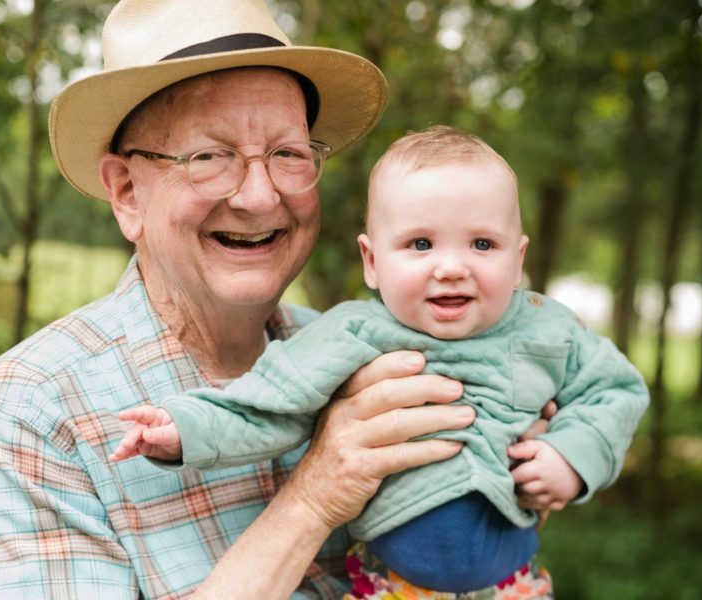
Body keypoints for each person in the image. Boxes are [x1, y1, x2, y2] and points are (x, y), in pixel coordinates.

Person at [0, 2, 564, 598]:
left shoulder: (362, 354)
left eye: (288, 154)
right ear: (127, 193)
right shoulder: (38, 409)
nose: (258, 196)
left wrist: (523, 468)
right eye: (209, 157)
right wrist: (313, 497)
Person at [110, 125, 650, 597]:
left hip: (512, 583)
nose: (452, 267)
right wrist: (184, 428)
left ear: (518, 259)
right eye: (420, 244)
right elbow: (270, 402)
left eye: (483, 244)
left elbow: (617, 391)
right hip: (391, 587)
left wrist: (572, 457)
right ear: (372, 260)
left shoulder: (548, 327)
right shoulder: (355, 333)